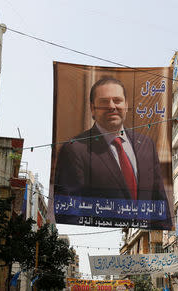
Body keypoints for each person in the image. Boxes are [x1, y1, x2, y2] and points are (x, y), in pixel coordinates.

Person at [54, 77, 171, 229]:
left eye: (117, 100)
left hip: (141, 236)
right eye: (104, 102)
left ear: (126, 105)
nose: (112, 107)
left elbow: (160, 200)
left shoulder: (146, 144)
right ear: (93, 108)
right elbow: (68, 210)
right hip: (100, 238)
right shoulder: (75, 148)